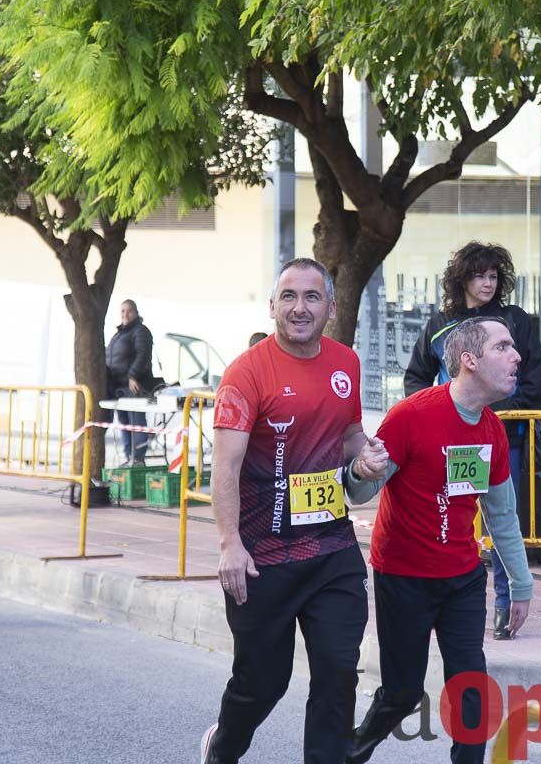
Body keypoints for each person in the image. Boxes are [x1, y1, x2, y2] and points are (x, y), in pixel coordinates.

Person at [199, 258, 381, 764]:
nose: (299, 308)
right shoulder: (246, 373)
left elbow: (347, 435)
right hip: (262, 556)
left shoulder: (346, 363)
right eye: (289, 297)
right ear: (273, 305)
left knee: (339, 668)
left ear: (331, 307)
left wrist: (364, 456)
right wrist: (229, 545)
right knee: (263, 682)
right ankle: (222, 748)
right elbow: (226, 468)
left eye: (312, 297)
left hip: (331, 549)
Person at [345, 317, 534, 764]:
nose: (517, 356)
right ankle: (349, 752)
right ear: (469, 360)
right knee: (403, 691)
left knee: (471, 686)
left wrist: (522, 585)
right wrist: (359, 469)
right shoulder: (412, 415)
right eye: (503, 347)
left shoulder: (492, 430)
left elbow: (502, 516)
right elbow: (362, 490)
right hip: (403, 576)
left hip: (463, 579)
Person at [403, 241, 541, 640]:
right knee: (448, 517)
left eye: (493, 276)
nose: (487, 283)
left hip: (505, 438)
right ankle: (444, 603)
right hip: (451, 443)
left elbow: (535, 380)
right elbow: (416, 378)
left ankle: (504, 604)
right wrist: (434, 415)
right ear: (461, 279)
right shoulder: (440, 324)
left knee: (503, 521)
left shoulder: (514, 321)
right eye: (478, 275)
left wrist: (495, 413)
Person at [105, 300, 160, 464]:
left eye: (128, 311)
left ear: (136, 312)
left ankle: (137, 459)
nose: (125, 314)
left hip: (134, 386)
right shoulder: (119, 334)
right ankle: (129, 457)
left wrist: (132, 376)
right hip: (118, 386)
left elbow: (143, 355)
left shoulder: (141, 331)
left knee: (136, 423)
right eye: (122, 311)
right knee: (124, 423)